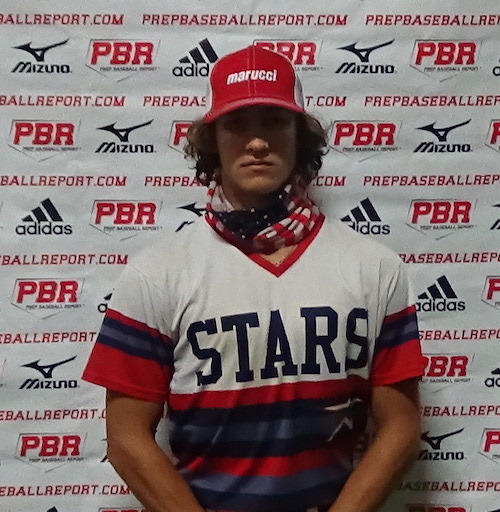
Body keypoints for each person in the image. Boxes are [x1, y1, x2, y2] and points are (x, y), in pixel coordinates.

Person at [82, 45, 426, 512]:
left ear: (300, 136)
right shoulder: (157, 272)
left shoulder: (374, 267)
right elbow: (126, 438)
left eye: (275, 121)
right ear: (213, 140)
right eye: (238, 123)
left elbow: (401, 427)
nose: (258, 142)